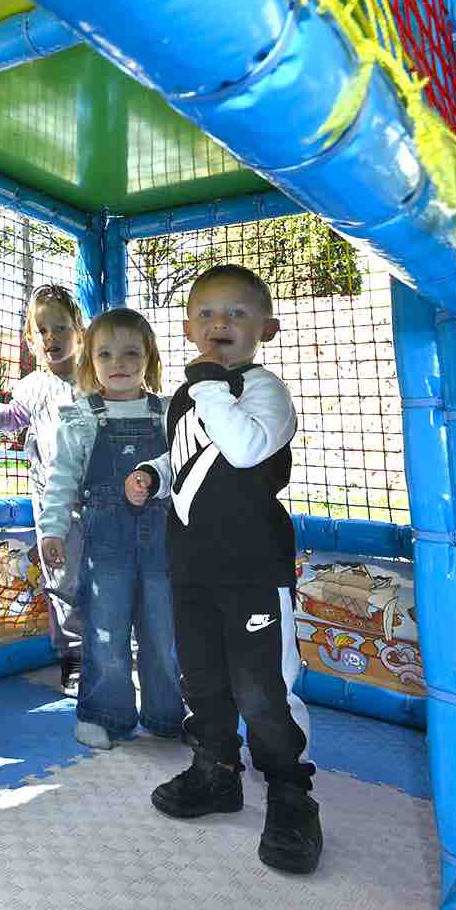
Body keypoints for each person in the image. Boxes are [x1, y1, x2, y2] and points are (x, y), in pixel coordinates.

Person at [132, 263, 321, 875]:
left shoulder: (262, 389)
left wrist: (212, 383)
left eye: (238, 314)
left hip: (251, 570)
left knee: (263, 688)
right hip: (191, 568)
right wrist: (154, 476)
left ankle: (291, 793)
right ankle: (215, 771)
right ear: (188, 327)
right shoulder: (192, 394)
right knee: (203, 679)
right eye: (208, 314)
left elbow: (242, 448)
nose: (221, 324)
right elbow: (190, 454)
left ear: (265, 327)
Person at [37, 308, 184, 749]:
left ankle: (167, 715)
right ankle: (104, 713)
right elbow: (61, 477)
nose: (118, 363)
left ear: (149, 358)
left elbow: (183, 469)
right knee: (106, 630)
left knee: (164, 632)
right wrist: (53, 529)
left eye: (130, 353)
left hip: (162, 543)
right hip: (107, 545)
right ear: (90, 361)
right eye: (105, 354)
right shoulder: (82, 416)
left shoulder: (167, 411)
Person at [0, 283, 85, 693]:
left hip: (97, 499)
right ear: (29, 338)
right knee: (61, 578)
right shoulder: (33, 385)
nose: (51, 338)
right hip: (53, 504)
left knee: (108, 575)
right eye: (42, 330)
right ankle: (73, 654)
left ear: (79, 330)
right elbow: (15, 413)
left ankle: (119, 652)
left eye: (60, 328)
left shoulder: (95, 377)